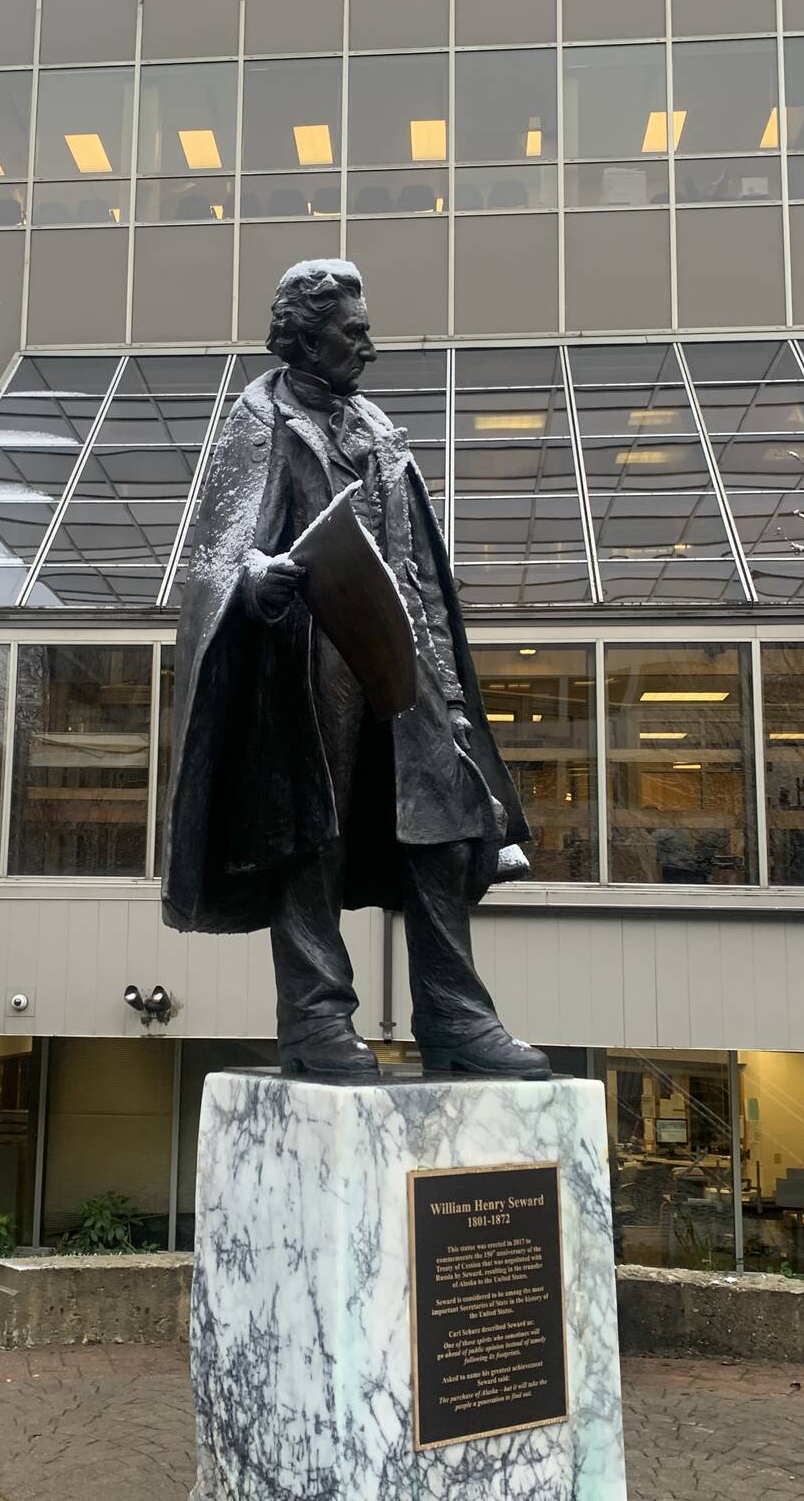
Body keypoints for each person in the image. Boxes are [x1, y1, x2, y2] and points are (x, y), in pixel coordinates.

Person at [161, 259, 548, 1079]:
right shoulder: (257, 422)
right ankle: (314, 1022)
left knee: (440, 829)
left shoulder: (377, 428)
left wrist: (447, 683)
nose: (369, 345)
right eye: (354, 330)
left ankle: (455, 1019)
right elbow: (217, 558)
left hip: (400, 655)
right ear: (305, 335)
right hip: (307, 666)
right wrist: (256, 581)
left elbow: (421, 571)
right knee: (314, 836)